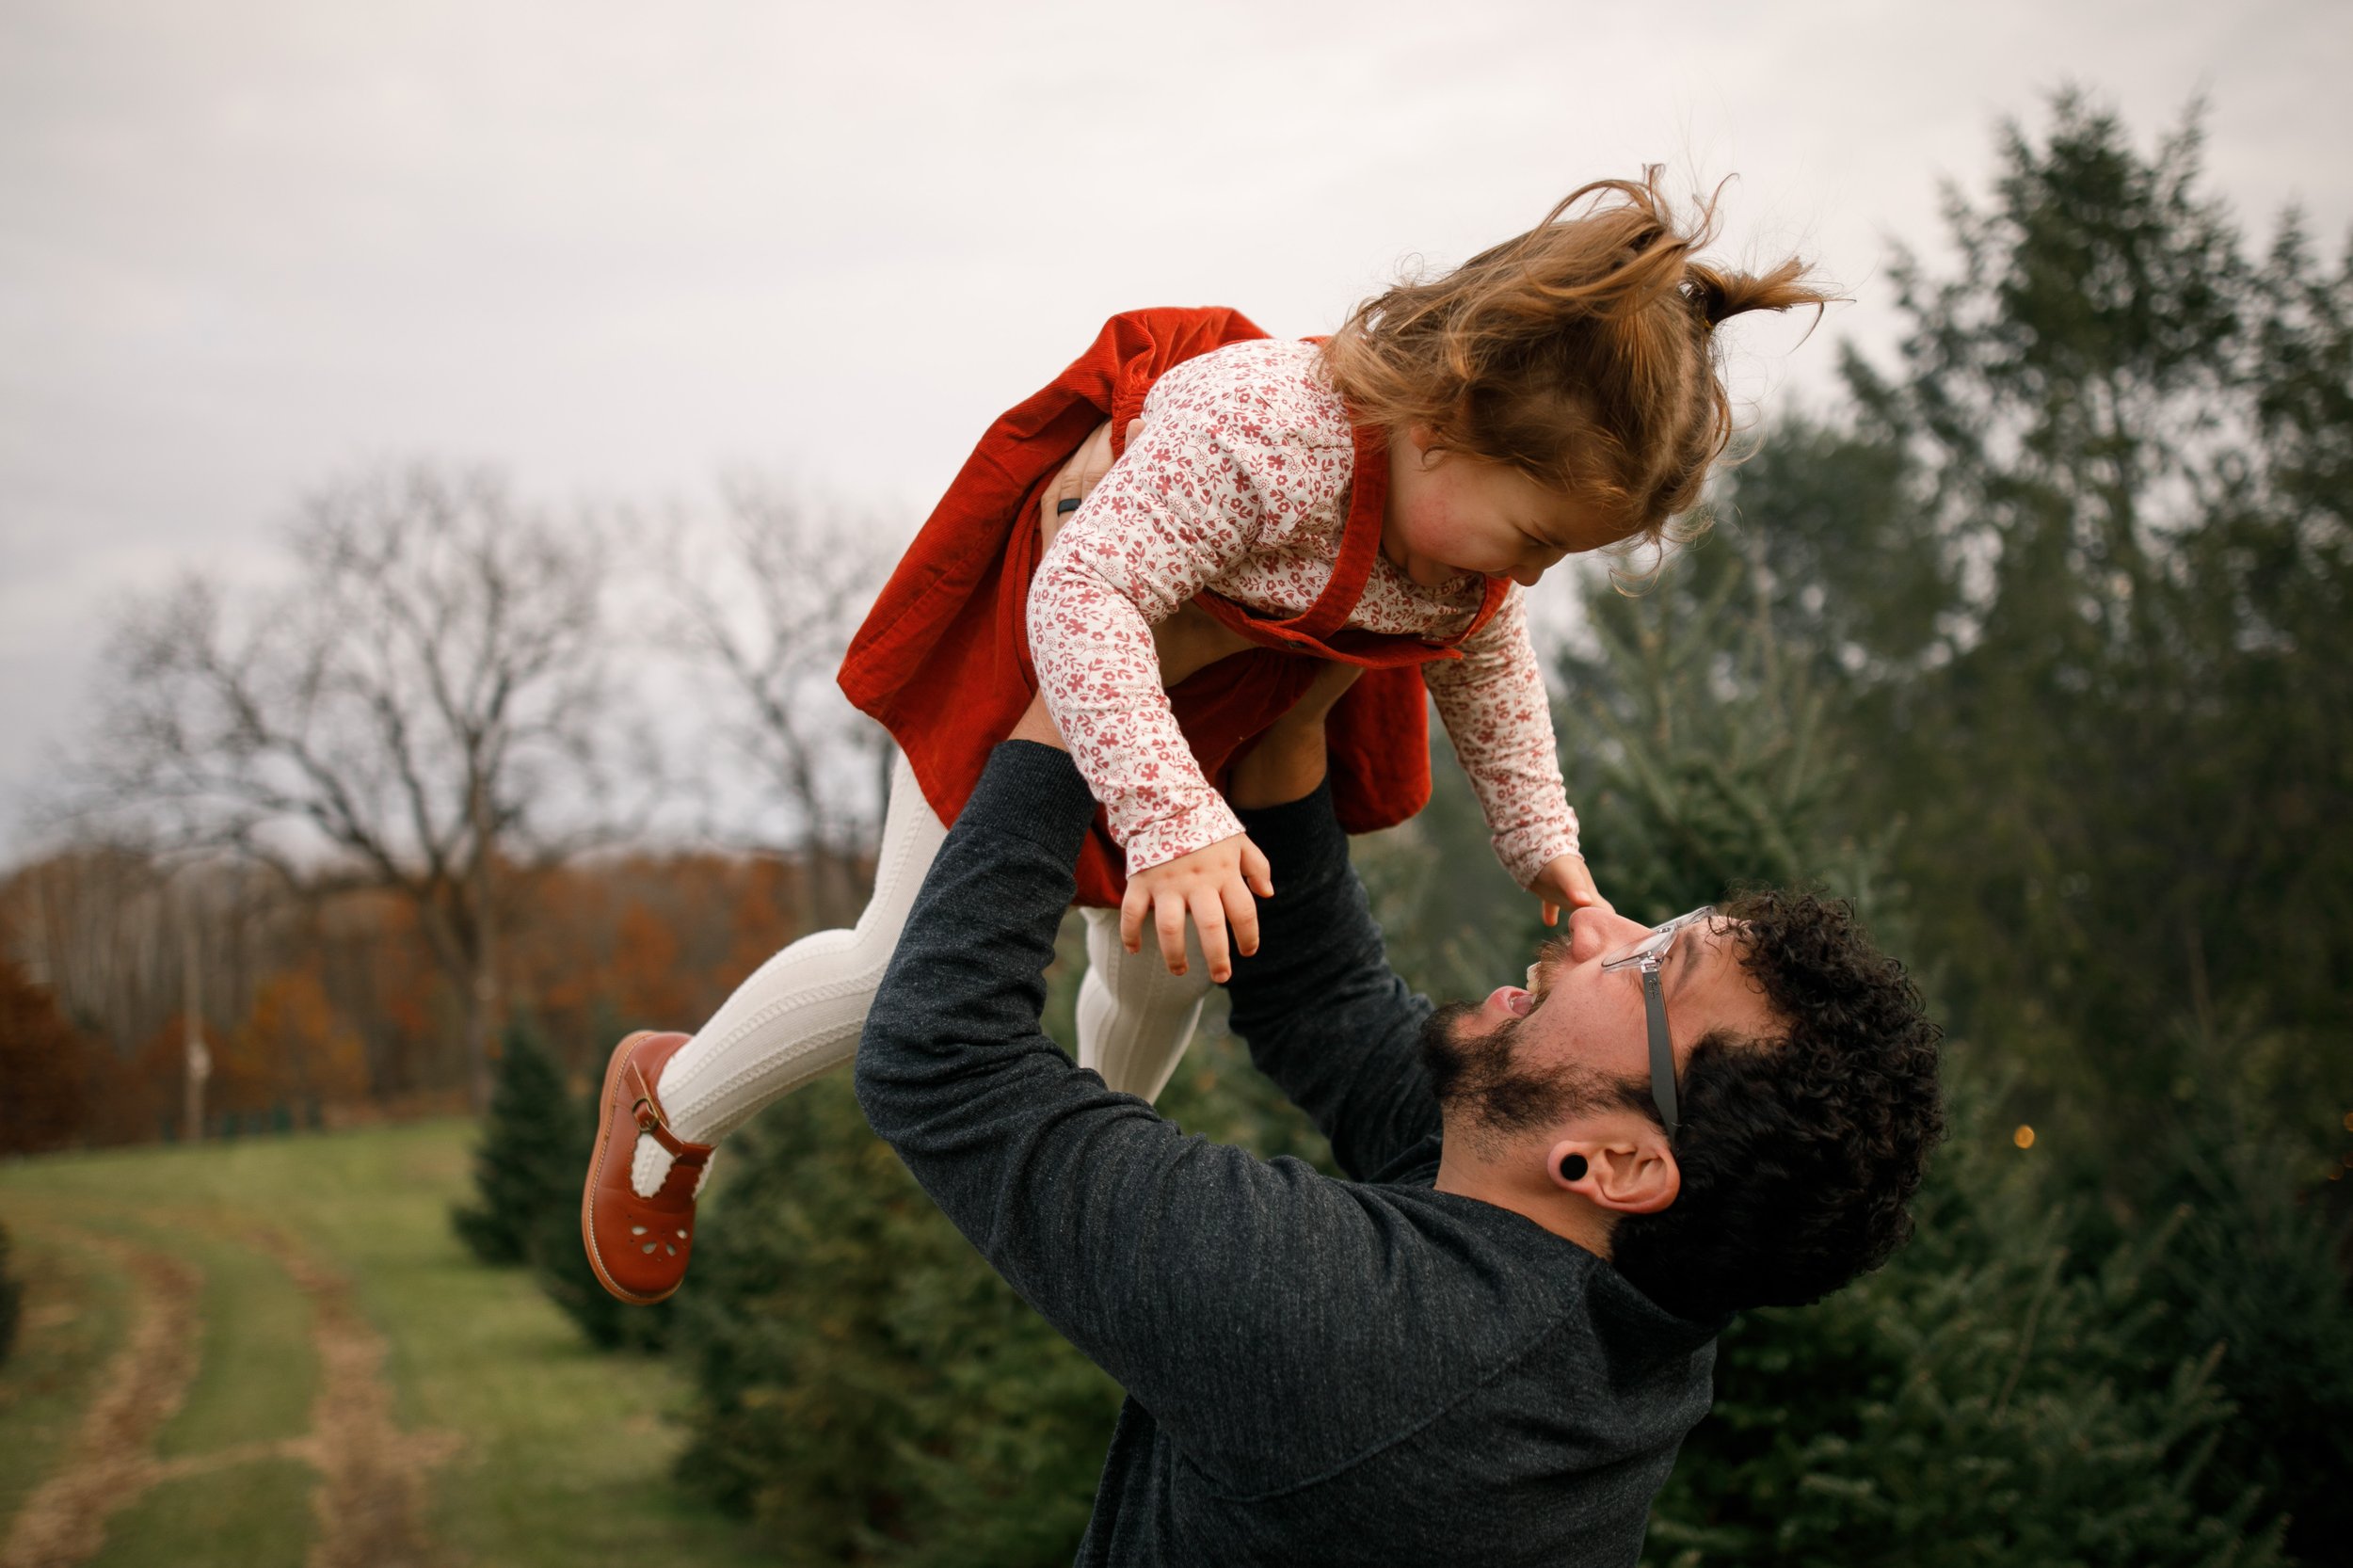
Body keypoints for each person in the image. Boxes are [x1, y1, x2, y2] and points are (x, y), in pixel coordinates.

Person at [583, 169, 1839, 1306]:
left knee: (1172, 959)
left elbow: (1492, 673)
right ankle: (670, 1105)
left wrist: (1549, 855)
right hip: (1053, 647)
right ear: (1447, 427)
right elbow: (1084, 595)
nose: (1533, 575)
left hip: (1205, 699)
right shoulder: (1262, 436)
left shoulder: (1461, 543)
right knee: (901, 963)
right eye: (1537, 539)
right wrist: (1174, 817)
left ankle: (1065, 1174)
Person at [847, 682, 1945, 1565]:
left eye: (1652, 967)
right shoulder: (1600, 1270)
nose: (1597, 923)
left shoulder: (1366, 1347)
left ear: (1616, 1162)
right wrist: (1302, 699)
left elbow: (942, 1058)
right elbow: (1319, 997)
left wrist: (1084, 684)